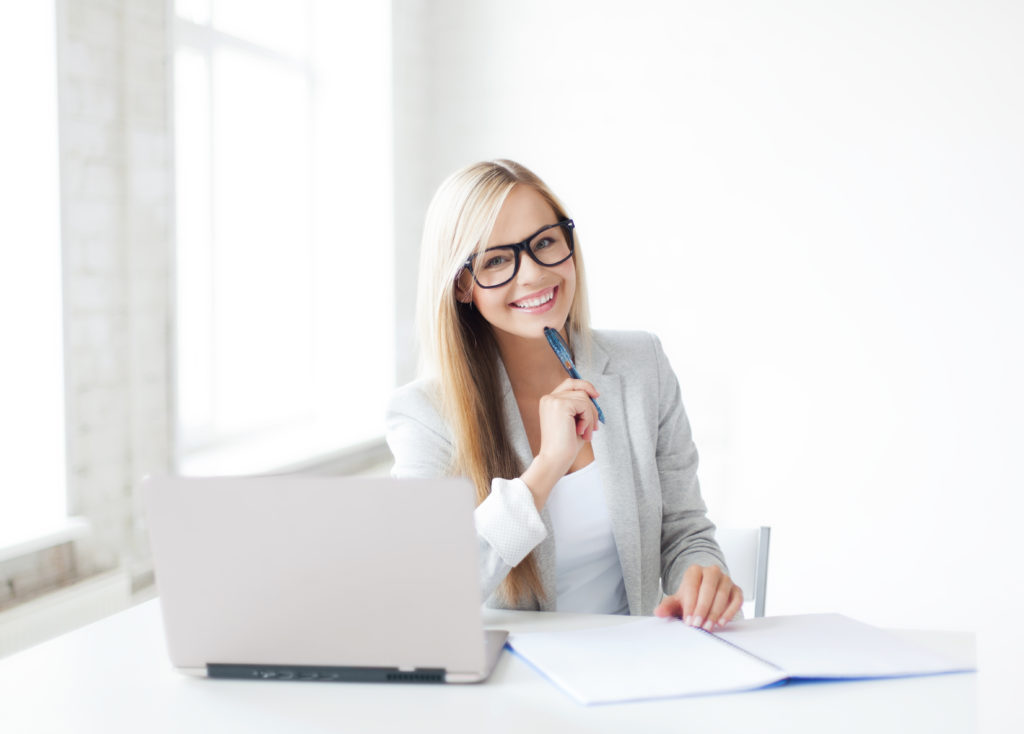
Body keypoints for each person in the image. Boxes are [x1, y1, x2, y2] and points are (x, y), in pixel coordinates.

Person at [386, 159, 742, 631]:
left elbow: (684, 531)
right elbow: (424, 590)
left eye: (545, 242)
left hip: (639, 668)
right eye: (496, 259)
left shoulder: (642, 364)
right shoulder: (424, 416)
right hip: (514, 687)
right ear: (463, 285)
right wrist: (546, 467)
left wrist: (700, 577)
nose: (533, 274)